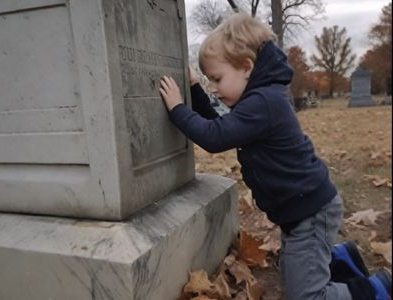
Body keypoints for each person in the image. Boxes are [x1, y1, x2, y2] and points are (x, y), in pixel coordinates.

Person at [159, 13, 391, 300]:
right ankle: (340, 260)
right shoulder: (258, 99)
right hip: (298, 211)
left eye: (217, 79)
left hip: (310, 212)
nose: (214, 89)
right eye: (209, 81)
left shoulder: (264, 102)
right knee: (292, 276)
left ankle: (376, 289)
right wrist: (194, 90)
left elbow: (214, 137)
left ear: (246, 66)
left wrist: (178, 108)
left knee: (306, 296)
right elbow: (219, 125)